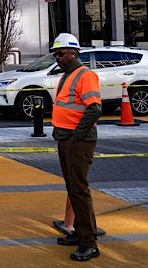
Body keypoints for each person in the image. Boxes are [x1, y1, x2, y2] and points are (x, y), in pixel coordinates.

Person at [50, 33, 102, 261]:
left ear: (73, 53)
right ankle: (80, 233)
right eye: (55, 54)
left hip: (77, 141)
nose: (57, 58)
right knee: (73, 189)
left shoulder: (85, 75)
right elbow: (65, 106)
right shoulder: (68, 75)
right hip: (67, 138)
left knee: (79, 191)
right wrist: (58, 130)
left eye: (60, 53)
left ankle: (89, 243)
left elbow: (94, 109)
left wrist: (77, 136)